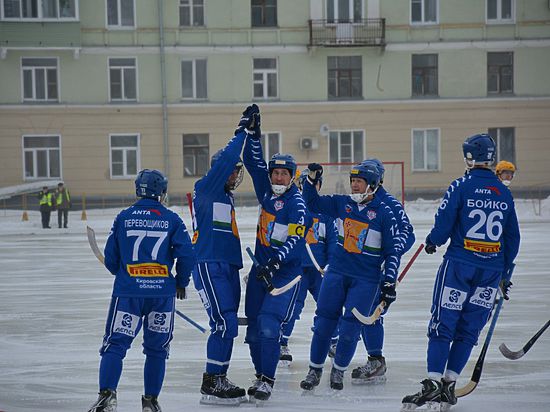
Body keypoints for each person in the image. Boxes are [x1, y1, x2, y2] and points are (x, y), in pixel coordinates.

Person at [401, 134, 520, 411]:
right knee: (469, 329)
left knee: (444, 323)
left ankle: (432, 383)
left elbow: (444, 221)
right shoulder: (504, 192)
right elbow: (512, 238)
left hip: (459, 266)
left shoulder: (461, 185)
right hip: (491, 271)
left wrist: (433, 241)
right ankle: (450, 384)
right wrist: (505, 272)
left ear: (469, 157)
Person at [87, 169, 196, 412]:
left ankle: (107, 397)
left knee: (115, 345)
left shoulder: (124, 217)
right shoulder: (172, 219)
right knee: (157, 349)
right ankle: (150, 402)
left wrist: (126, 274)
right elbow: (187, 255)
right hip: (162, 296)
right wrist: (181, 281)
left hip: (128, 295)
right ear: (161, 192)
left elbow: (112, 261)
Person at [299, 162, 401, 392]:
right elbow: (313, 202)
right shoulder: (342, 204)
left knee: (350, 330)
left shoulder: (384, 213)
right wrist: (311, 181)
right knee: (324, 323)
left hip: (365, 280)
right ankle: (314, 370)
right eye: (353, 180)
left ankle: (338, 370)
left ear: (372, 185)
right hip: (336, 273)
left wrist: (389, 281)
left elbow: (393, 251)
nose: (354, 185)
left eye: (359, 181)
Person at [191, 105, 259, 405]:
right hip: (209, 264)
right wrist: (241, 131)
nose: (235, 174)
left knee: (229, 324)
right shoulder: (206, 187)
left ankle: (219, 376)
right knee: (222, 324)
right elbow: (231, 156)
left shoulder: (225, 196)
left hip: (227, 266)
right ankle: (211, 382)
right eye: (233, 170)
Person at [243, 130, 309, 403]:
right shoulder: (266, 193)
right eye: (275, 173)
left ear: (292, 176)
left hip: (285, 276)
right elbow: (251, 162)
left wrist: (276, 261)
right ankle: (260, 375)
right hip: (261, 272)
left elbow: (297, 237)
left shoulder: (297, 203)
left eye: (284, 173)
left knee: (270, 325)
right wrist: (252, 135)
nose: (278, 178)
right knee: (254, 329)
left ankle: (268, 380)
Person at [351, 158, 415, 384]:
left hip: (377, 269)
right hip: (358, 267)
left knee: (371, 312)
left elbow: (408, 234)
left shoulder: (388, 204)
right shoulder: (361, 201)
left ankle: (376, 359)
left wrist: (388, 253)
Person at [279, 171, 338, 365]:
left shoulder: (325, 214)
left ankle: (333, 341)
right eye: (304, 184)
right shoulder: (294, 209)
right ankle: (282, 342)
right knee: (293, 306)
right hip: (297, 270)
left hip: (319, 270)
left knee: (329, 305)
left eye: (314, 184)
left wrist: (330, 263)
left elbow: (333, 242)